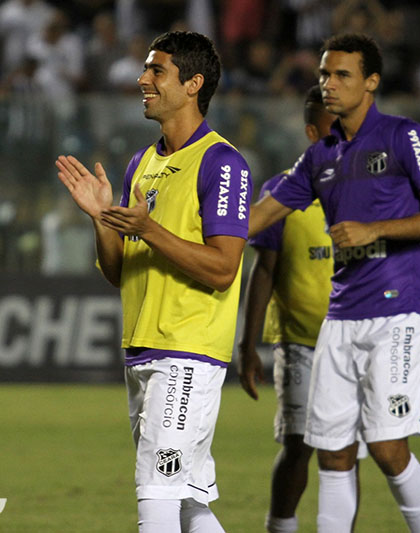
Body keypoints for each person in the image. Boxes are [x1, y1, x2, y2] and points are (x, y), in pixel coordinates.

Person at [249, 34, 420, 533]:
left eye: (342, 74)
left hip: (395, 310)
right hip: (340, 317)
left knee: (387, 449)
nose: (329, 84)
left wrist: (376, 229)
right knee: (333, 454)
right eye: (324, 74)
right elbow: (259, 216)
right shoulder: (319, 157)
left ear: (371, 82)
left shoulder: (403, 136)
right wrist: (171, 229)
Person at [55, 31, 249, 533]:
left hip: (187, 353)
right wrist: (102, 220)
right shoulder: (141, 164)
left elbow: (224, 268)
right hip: (143, 349)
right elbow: (120, 272)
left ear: (193, 84)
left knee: (157, 501)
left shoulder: (222, 163)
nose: (142, 79)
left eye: (155, 70)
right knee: (187, 502)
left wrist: (147, 228)